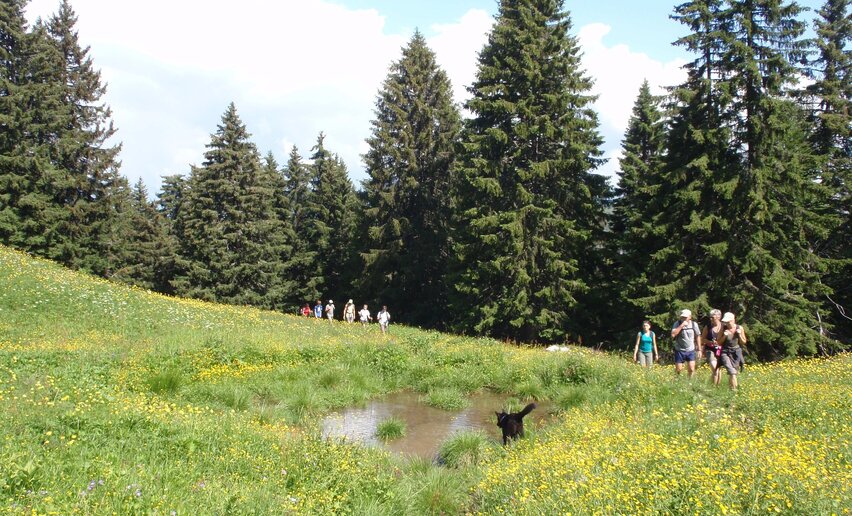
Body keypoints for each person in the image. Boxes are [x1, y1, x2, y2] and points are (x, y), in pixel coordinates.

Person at [715, 312, 747, 390]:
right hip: (725, 352)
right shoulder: (723, 328)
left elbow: (744, 342)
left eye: (728, 322)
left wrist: (739, 335)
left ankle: (731, 389)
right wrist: (724, 336)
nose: (727, 324)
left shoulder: (740, 328)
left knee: (733, 372)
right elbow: (718, 342)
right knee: (732, 371)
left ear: (733, 320)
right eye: (726, 322)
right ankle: (735, 390)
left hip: (736, 352)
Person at [671, 309, 700, 378]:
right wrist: (681, 326)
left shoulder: (694, 324)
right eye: (682, 317)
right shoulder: (677, 324)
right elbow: (673, 335)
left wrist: (699, 349)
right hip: (679, 349)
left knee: (691, 369)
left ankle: (690, 383)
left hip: (691, 350)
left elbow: (698, 336)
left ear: (690, 317)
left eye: (685, 317)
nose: (684, 319)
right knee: (679, 369)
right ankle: (676, 380)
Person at [700, 309, 723, 386]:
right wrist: (710, 342)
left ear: (719, 317)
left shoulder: (723, 326)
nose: (711, 319)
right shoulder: (708, 327)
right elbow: (702, 339)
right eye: (710, 317)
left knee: (718, 369)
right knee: (715, 368)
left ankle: (716, 386)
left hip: (720, 350)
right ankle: (713, 386)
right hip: (710, 350)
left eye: (712, 317)